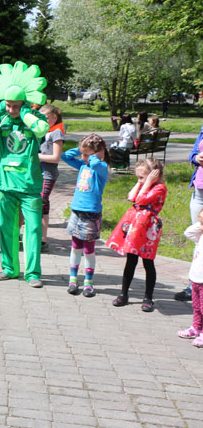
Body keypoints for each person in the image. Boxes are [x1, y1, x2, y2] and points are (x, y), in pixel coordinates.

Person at [0, 61, 50, 288]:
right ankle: (9, 268)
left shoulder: (35, 120)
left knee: (33, 229)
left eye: (14, 106)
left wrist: (25, 113)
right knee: (6, 227)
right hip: (5, 184)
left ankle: (33, 273)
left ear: (24, 104)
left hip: (29, 186)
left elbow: (40, 130)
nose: (11, 110)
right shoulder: (2, 120)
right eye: (7, 105)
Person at [106, 158, 167, 312]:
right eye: (138, 177)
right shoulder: (143, 185)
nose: (139, 180)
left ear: (155, 175)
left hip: (148, 229)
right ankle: (123, 293)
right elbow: (130, 197)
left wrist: (146, 183)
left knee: (148, 262)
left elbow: (140, 199)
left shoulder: (160, 187)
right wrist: (141, 182)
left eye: (142, 177)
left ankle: (148, 297)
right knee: (131, 260)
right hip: (135, 226)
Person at [61, 135, 109, 298]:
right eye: (83, 154)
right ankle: (73, 279)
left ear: (98, 153)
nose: (83, 158)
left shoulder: (101, 167)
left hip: (91, 213)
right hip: (77, 211)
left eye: (87, 155)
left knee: (89, 250)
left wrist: (95, 154)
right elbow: (65, 156)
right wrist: (82, 149)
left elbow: (96, 163)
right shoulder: (83, 164)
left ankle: (88, 281)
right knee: (75, 247)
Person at [177, 126, 203, 301]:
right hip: (200, 191)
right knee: (198, 238)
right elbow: (193, 154)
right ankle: (193, 287)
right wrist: (196, 157)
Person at [38, 104, 65, 250]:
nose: (43, 121)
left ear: (54, 118)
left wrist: (36, 157)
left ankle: (42, 239)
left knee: (41, 203)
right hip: (37, 173)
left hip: (47, 174)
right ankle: (40, 238)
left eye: (46, 118)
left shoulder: (56, 133)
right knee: (41, 204)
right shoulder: (43, 132)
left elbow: (56, 157)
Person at [178, 208, 203, 347]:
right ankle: (196, 327)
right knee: (196, 306)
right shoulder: (200, 235)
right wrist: (200, 224)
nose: (201, 227)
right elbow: (188, 232)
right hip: (195, 278)